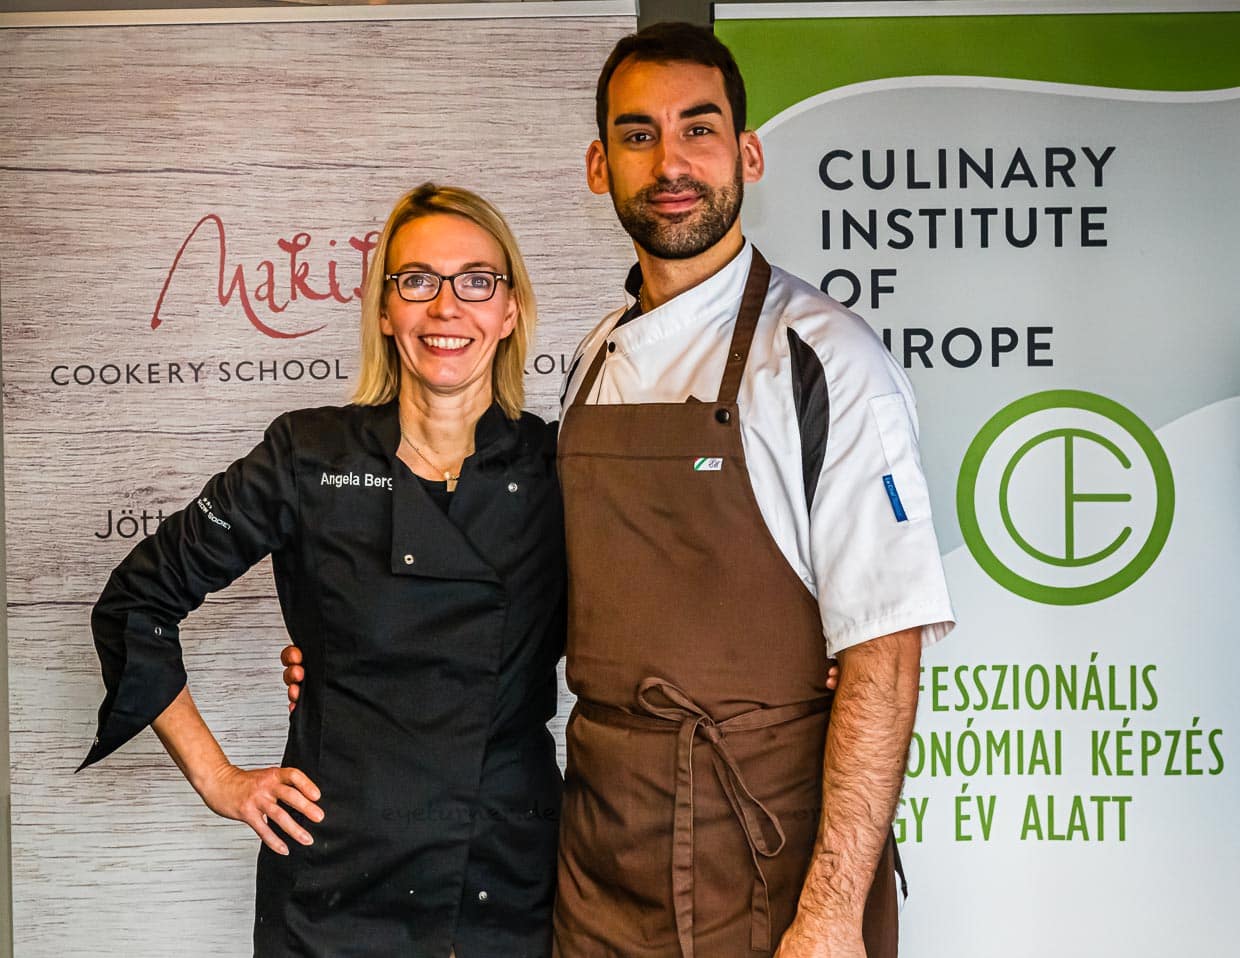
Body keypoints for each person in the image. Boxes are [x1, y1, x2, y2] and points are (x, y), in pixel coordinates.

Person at [550, 22, 955, 958]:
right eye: (638, 135)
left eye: (699, 128)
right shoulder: (590, 357)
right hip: (601, 854)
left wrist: (831, 913)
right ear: (598, 165)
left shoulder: (827, 359)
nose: (670, 162)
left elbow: (885, 654)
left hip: (765, 862)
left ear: (748, 151)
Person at [81, 184, 566, 957]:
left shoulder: (560, 468)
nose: (447, 307)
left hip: (503, 873)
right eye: (417, 282)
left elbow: (642, 628)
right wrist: (219, 779)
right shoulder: (308, 456)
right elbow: (137, 601)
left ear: (509, 311)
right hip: (337, 881)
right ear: (384, 309)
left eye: (477, 281)